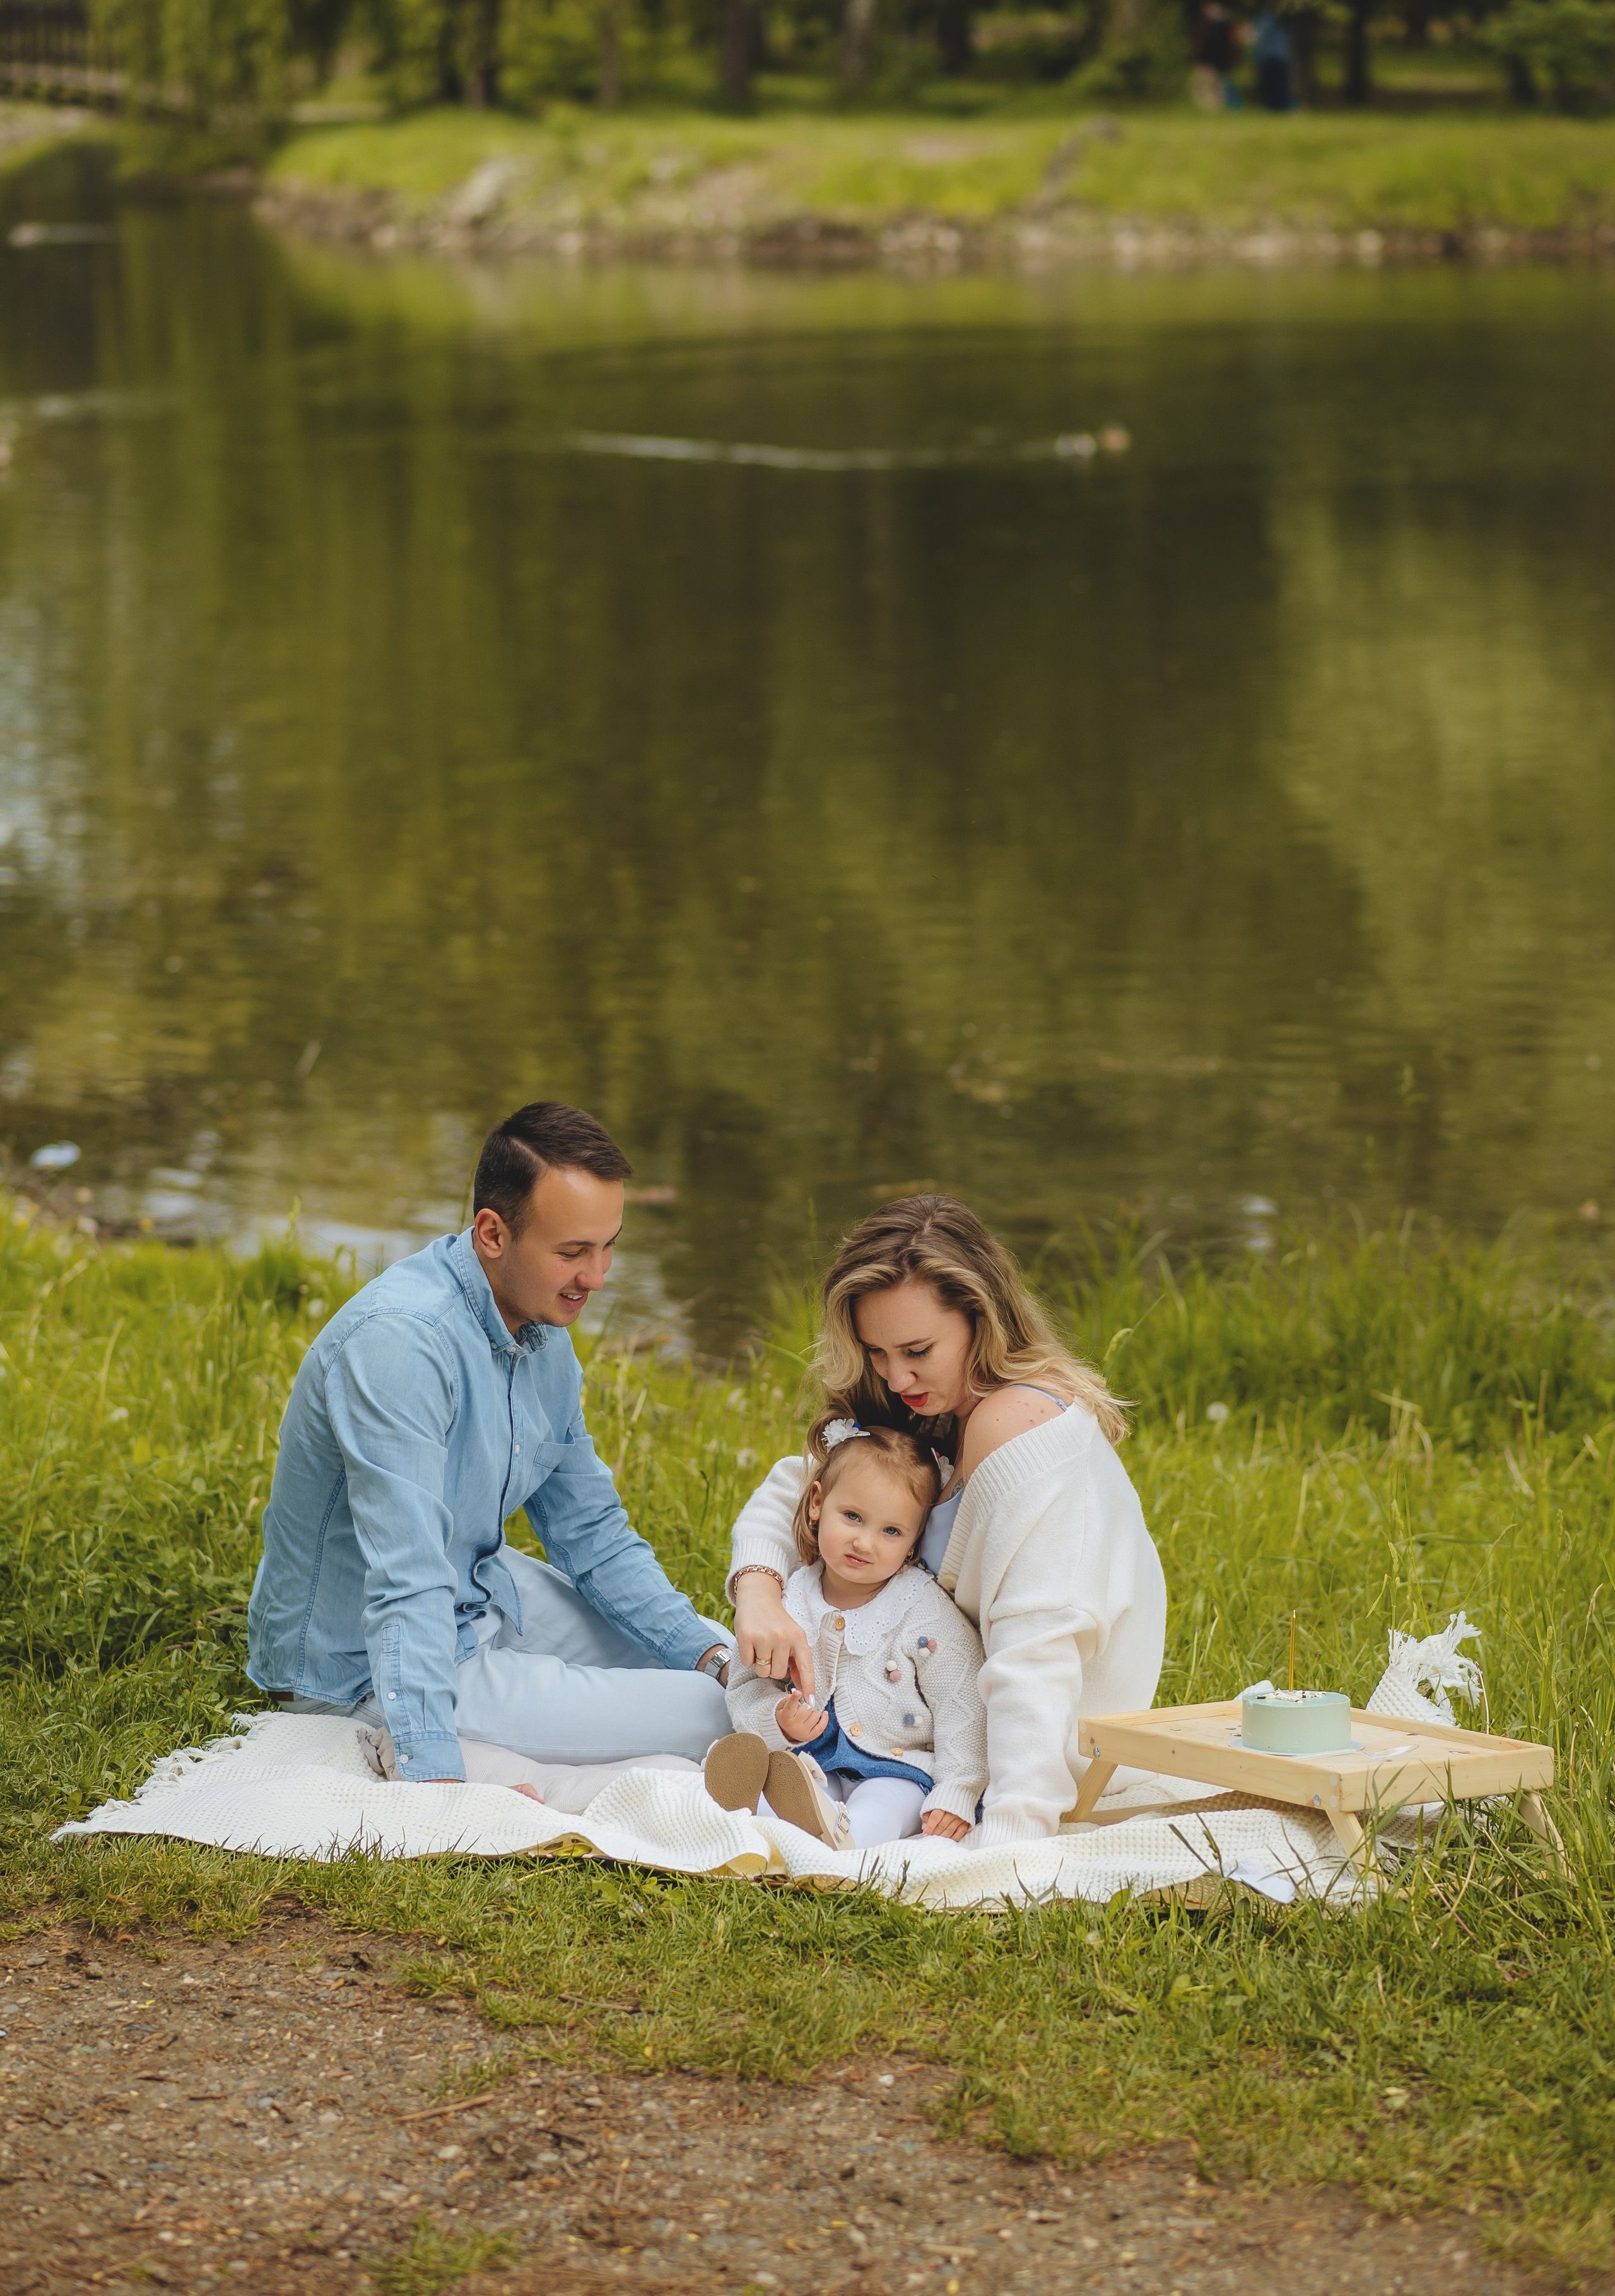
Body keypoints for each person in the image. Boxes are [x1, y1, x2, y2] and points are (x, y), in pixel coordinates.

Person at [247, 1101, 732, 1783]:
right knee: (715, 1713)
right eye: (572, 1252)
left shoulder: (543, 1333)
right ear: (492, 1233)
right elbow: (406, 1574)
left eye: (608, 1245)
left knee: (732, 1665)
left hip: (481, 1591)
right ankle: (442, 1750)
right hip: (372, 1663)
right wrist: (429, 1759)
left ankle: (826, 1738)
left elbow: (593, 1534)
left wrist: (710, 1657)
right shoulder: (400, 1345)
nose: (597, 1277)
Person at [727, 1197, 1166, 1845]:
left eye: (916, 1349)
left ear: (980, 1320)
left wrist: (1015, 1834)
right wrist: (761, 1591)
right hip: (895, 1702)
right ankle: (782, 1800)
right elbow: (793, 1486)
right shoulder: (934, 1405)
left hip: (1020, 1745)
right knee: (704, 1690)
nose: (895, 1374)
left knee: (697, 1711)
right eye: (875, 1351)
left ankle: (811, 1816)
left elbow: (1036, 1652)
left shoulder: (1016, 1426)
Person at [707, 1422, 987, 1850]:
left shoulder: (924, 1611)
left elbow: (963, 1703)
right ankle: (775, 1815)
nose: (865, 1542)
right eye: (853, 1517)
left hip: (899, 1766)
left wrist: (958, 1790)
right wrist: (777, 1722)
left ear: (914, 1542)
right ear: (817, 1503)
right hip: (811, 1760)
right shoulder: (790, 1598)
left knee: (884, 1807)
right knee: (797, 1788)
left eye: (891, 1531)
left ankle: (846, 1835)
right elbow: (747, 1683)